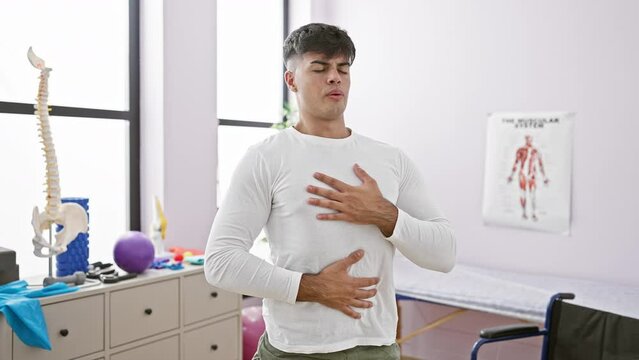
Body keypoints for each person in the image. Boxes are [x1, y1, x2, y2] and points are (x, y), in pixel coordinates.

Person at [205, 23, 456, 359]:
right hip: (293, 350)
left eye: (343, 68)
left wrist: (385, 216)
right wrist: (312, 288)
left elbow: (444, 255)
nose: (335, 77)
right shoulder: (265, 158)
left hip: (375, 348)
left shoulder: (389, 159)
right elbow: (221, 261)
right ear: (291, 80)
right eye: (320, 68)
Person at [507, 135, 550, 221]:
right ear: (525, 140)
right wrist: (511, 175)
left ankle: (533, 213)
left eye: (530, 139)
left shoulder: (536, 151)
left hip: (532, 175)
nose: (529, 141)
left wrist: (544, 177)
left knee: (532, 195)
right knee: (523, 194)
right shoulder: (521, 150)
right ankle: (523, 213)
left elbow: (540, 165)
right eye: (527, 139)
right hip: (522, 174)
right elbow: (516, 163)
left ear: (532, 140)